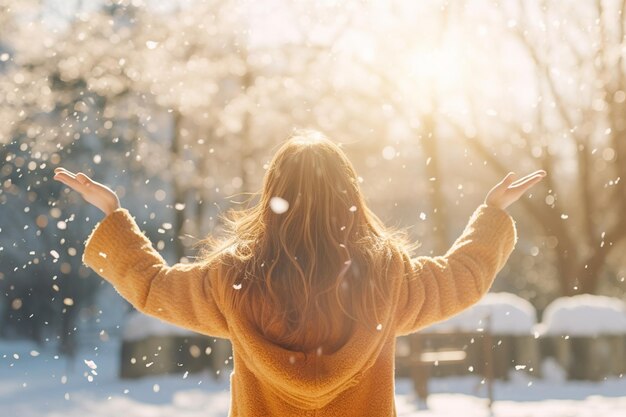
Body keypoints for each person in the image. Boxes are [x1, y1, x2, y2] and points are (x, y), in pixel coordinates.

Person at [53, 130, 545, 416]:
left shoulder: (232, 281)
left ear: (272, 196)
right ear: (350, 197)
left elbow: (153, 287)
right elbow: (465, 277)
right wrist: (492, 212)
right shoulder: (386, 279)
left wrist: (115, 216)